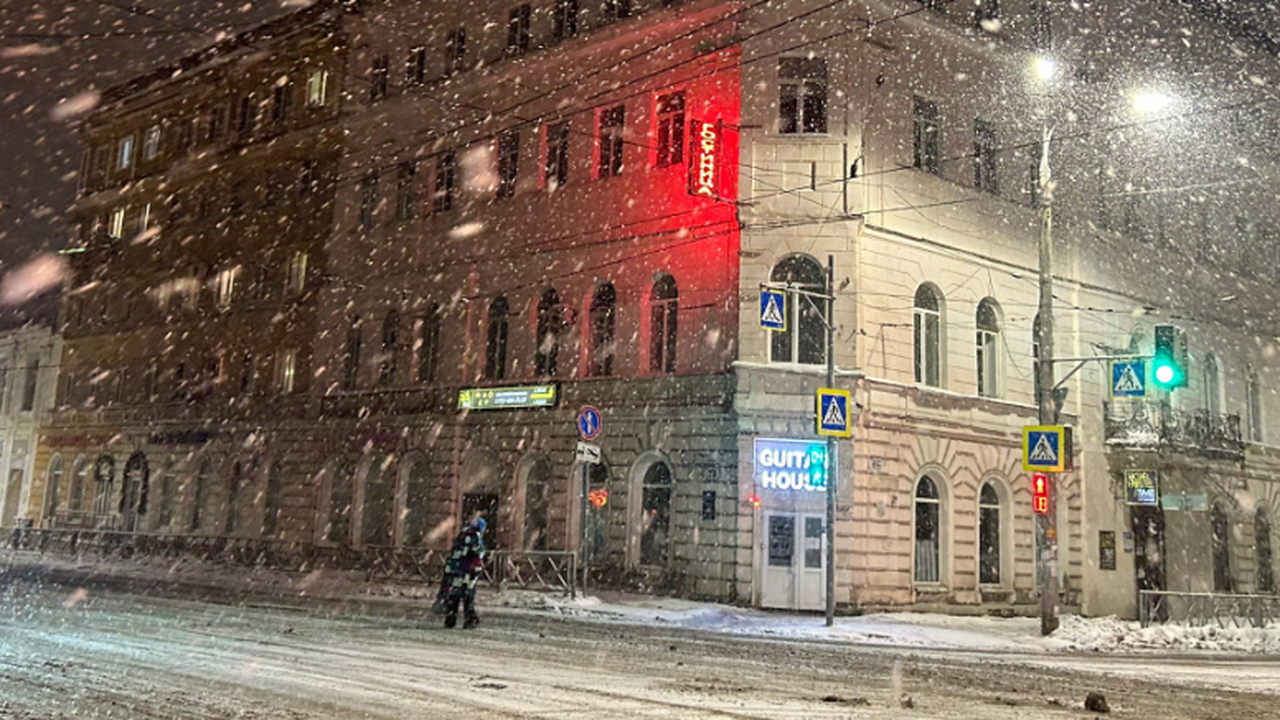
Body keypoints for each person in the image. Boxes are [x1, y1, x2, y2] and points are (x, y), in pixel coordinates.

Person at [441, 517, 487, 629]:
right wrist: (477, 565)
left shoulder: (462, 535)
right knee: (468, 596)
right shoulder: (475, 536)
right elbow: (477, 552)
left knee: (454, 595)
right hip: (468, 570)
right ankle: (470, 620)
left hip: (455, 569)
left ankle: (451, 619)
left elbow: (455, 551)